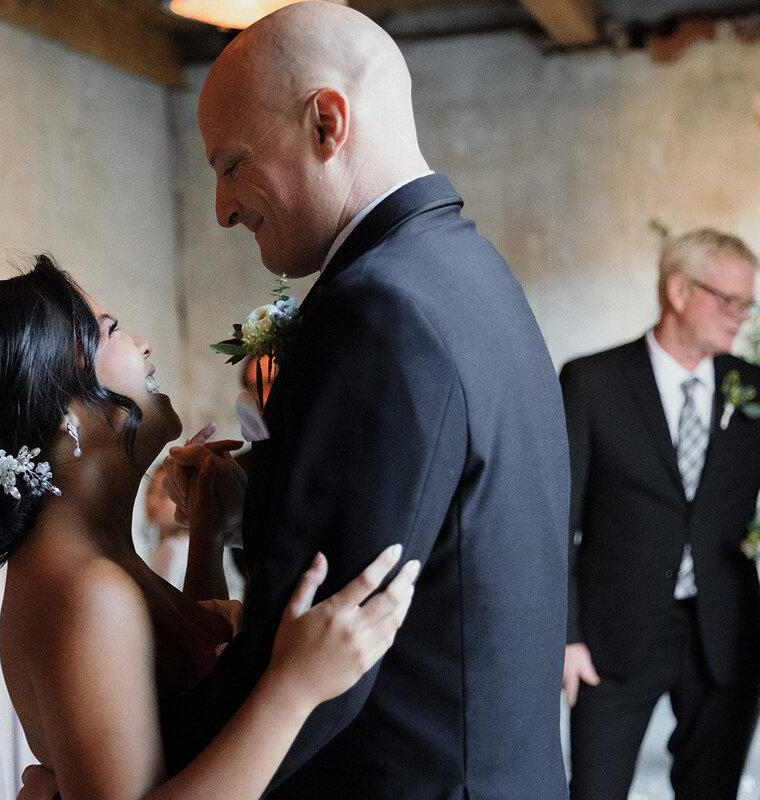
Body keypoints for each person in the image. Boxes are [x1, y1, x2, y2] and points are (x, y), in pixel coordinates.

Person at [0, 255, 419, 800]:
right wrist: (294, 688)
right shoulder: (85, 591)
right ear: (66, 418)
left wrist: (209, 537)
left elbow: (175, 700)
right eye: (111, 331)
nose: (141, 345)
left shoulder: (86, 561)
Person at [162, 3, 571, 797]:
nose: (222, 208)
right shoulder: (469, 271)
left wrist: (134, 769)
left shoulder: (378, 309)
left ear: (326, 121)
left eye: (232, 163)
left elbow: (318, 646)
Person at [561, 229, 760, 800]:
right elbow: (560, 521)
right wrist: (566, 637)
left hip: (725, 635)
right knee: (595, 793)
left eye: (748, 304)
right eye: (728, 301)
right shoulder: (591, 382)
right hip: (611, 640)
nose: (741, 317)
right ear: (677, 290)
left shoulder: (751, 390)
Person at [144, 462, 190, 589]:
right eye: (150, 490)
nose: (151, 501)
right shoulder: (180, 545)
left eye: (164, 494)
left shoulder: (173, 548)